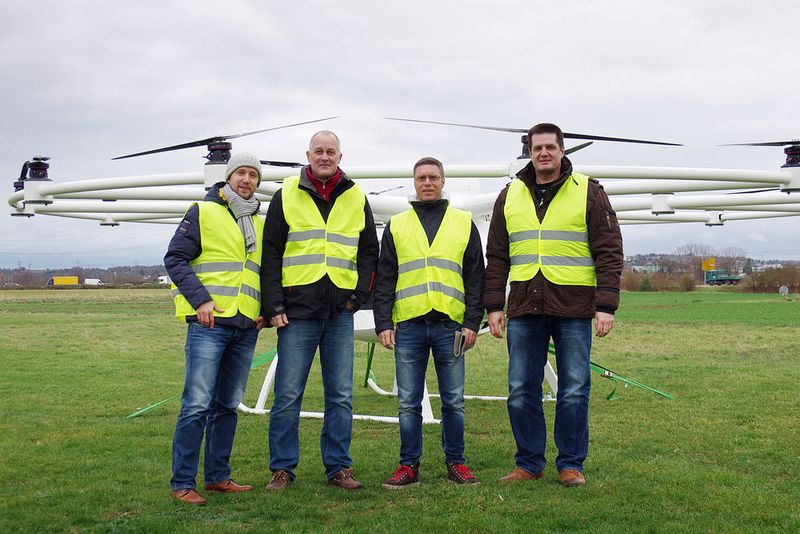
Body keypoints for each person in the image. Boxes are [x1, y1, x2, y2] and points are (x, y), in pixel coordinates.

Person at [484, 123, 623, 487]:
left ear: (563, 151)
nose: (543, 153)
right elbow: (497, 255)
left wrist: (606, 304)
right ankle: (529, 463)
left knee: (574, 387)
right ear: (529, 152)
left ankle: (571, 463)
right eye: (537, 147)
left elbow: (609, 250)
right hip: (525, 306)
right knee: (519, 387)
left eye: (550, 147)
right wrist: (494, 304)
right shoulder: (509, 195)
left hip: (573, 306)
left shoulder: (589, 192)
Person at [261, 130, 379, 490]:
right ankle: (282, 468)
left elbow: (368, 253)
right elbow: (271, 254)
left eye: (331, 152)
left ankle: (339, 468)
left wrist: (359, 298)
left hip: (340, 312)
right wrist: (274, 304)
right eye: (318, 152)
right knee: (288, 395)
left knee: (341, 395)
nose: (324, 157)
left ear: (340, 157)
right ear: (308, 156)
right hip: (296, 312)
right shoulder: (287, 195)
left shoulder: (356, 197)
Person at [373, 157, 485, 489]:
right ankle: (409, 465)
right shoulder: (398, 224)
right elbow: (385, 277)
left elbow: (475, 277)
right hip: (408, 324)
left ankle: (457, 463)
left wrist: (471, 322)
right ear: (414, 181)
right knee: (408, 402)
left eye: (433, 177)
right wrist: (383, 322)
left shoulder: (463, 223)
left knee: (454, 400)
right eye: (421, 177)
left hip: (451, 326)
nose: (427, 182)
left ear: (443, 181)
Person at [165, 152, 266, 505]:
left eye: (253, 175)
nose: (247, 180)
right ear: (227, 177)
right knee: (196, 404)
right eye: (241, 172)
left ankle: (218, 477)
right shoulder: (202, 211)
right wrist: (201, 300)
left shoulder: (259, 222)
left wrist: (263, 311)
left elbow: (262, 273)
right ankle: (182, 482)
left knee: (227, 404)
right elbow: (175, 258)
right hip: (209, 323)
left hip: (245, 325)